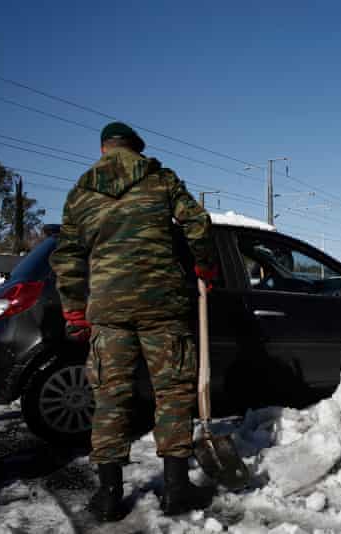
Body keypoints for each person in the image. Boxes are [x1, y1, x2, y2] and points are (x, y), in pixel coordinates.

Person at [50, 122, 218, 521]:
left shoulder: (81, 192)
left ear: (104, 149)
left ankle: (108, 496)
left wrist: (73, 307)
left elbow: (68, 256)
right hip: (162, 304)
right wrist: (205, 266)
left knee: (110, 398)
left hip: (108, 309)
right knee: (173, 394)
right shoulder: (160, 179)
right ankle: (176, 491)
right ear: (137, 149)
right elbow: (197, 224)